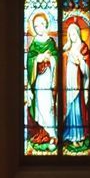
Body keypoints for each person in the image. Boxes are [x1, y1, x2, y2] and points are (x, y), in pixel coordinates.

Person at [25, 12, 59, 150]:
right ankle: (43, 134)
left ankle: (53, 135)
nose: (38, 27)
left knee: (48, 108)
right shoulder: (33, 43)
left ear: (46, 25)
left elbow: (56, 58)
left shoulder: (50, 42)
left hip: (48, 79)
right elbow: (30, 61)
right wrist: (38, 58)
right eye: (36, 25)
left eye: (41, 24)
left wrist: (49, 58)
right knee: (40, 107)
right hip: (38, 81)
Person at [61, 22, 90, 151]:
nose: (72, 36)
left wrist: (80, 61)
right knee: (69, 110)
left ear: (78, 33)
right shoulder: (66, 49)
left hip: (78, 84)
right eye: (70, 34)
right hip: (68, 83)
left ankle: (78, 136)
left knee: (78, 111)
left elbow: (87, 71)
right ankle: (70, 136)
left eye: (74, 33)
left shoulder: (83, 48)